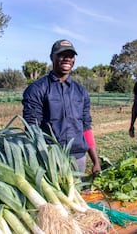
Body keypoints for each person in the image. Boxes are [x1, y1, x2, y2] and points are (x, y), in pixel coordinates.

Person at [22, 39, 101, 175]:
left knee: (77, 193)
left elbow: (86, 127)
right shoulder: (37, 89)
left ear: (74, 60)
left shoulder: (81, 91)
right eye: (62, 54)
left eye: (70, 55)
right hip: (51, 159)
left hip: (78, 158)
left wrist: (96, 161)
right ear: (52, 57)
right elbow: (32, 128)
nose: (67, 59)